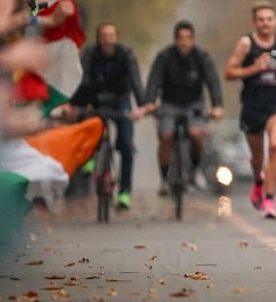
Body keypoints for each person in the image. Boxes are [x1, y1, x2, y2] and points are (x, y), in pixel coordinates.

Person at [224, 1, 276, 220]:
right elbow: (229, 73)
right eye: (261, 19)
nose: (265, 23)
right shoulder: (246, 44)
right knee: (257, 157)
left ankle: (269, 199)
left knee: (273, 146)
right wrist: (254, 68)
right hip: (253, 105)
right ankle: (258, 182)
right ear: (254, 22)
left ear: (275, 21)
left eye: (269, 19)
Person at [141, 20, 224, 196]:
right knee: (166, 136)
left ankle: (194, 171)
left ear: (193, 40)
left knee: (196, 134)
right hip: (170, 104)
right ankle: (164, 179)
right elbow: (154, 79)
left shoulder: (202, 57)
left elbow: (213, 81)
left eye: (187, 38)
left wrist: (217, 105)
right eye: (180, 38)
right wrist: (149, 101)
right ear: (175, 40)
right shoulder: (165, 57)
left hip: (194, 104)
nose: (184, 42)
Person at [75, 22, 146, 210]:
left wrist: (142, 106)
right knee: (88, 127)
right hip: (95, 99)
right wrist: (75, 104)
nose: (107, 39)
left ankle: (124, 193)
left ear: (117, 37)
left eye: (111, 35)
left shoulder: (126, 54)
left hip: (120, 100)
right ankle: (90, 161)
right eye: (104, 35)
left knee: (126, 145)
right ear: (98, 38)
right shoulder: (89, 55)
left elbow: (135, 80)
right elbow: (82, 80)